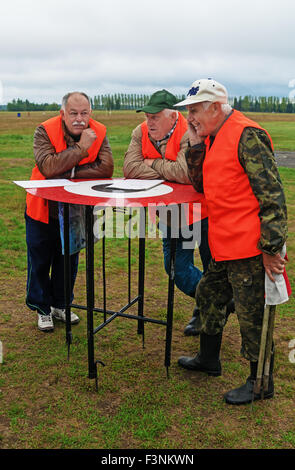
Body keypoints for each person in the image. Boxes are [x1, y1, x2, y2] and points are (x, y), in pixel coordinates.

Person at [174, 78, 288, 404]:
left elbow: (272, 197)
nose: (190, 117)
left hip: (250, 248)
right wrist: (195, 144)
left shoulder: (246, 135)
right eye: (189, 111)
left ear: (215, 106)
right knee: (209, 295)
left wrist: (270, 249)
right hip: (223, 245)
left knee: (253, 317)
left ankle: (261, 383)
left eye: (195, 110)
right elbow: (201, 184)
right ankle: (208, 359)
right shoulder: (211, 137)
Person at [123, 89, 212, 335]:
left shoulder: (188, 131)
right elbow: (130, 168)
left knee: (212, 268)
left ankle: (206, 311)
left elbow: (186, 174)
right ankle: (217, 302)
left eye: (155, 116)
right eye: (147, 116)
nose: (149, 121)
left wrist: (152, 163)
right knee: (177, 270)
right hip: (172, 214)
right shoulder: (140, 132)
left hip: (205, 211)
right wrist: (168, 169)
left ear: (173, 116)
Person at [25, 92, 114, 332]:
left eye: (84, 113)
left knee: (69, 259)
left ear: (90, 113)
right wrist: (82, 149)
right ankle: (42, 308)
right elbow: (47, 166)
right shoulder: (44, 130)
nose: (79, 119)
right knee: (40, 259)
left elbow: (106, 168)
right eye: (73, 113)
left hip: (76, 211)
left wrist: (68, 171)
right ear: (63, 113)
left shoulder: (100, 131)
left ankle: (61, 304)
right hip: (43, 208)